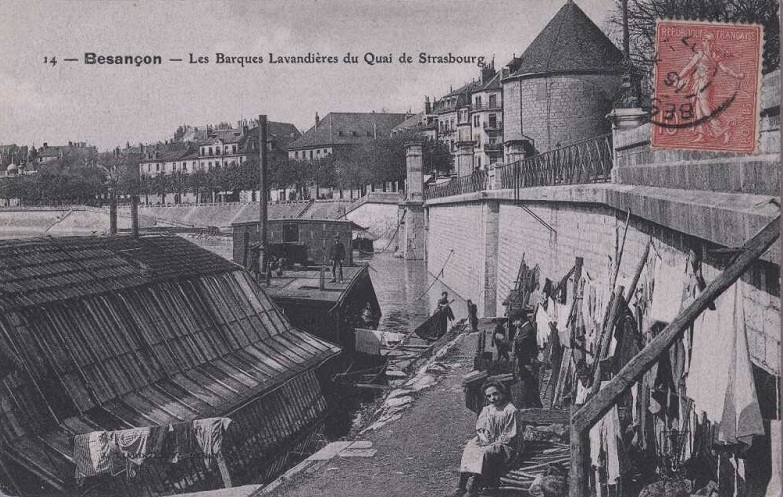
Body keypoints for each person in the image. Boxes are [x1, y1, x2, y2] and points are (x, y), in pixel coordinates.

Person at [453, 381, 523, 496]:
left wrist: (493, 444)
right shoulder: (487, 409)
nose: (493, 398)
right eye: (489, 396)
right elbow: (481, 427)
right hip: (489, 441)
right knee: (470, 446)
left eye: (495, 394)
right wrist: (484, 437)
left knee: (486, 452)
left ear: (503, 393)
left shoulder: (510, 410)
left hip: (506, 446)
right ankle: (461, 485)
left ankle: (475, 486)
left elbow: (510, 434)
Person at [676, 32, 745, 144]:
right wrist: (679, 77)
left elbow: (725, 69)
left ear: (711, 42)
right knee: (698, 110)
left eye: (706, 41)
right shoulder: (702, 54)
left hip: (705, 85)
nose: (704, 43)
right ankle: (701, 135)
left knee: (706, 110)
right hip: (698, 84)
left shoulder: (712, 56)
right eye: (703, 41)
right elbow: (689, 67)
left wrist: (736, 75)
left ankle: (724, 130)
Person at [513, 309, 543, 408]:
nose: (513, 324)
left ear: (520, 319)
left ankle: (536, 409)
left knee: (530, 387)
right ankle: (534, 408)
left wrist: (503, 340)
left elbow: (519, 345)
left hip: (528, 364)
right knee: (530, 388)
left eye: (514, 321)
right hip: (526, 363)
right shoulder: (525, 328)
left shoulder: (526, 329)